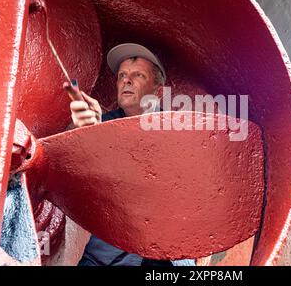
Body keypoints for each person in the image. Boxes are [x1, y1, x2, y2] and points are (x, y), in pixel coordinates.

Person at [65, 43, 194, 266]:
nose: (127, 80)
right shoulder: (101, 125)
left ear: (159, 91)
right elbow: (72, 168)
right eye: (122, 75)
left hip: (163, 255)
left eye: (138, 75)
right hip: (103, 257)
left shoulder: (177, 132)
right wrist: (86, 135)